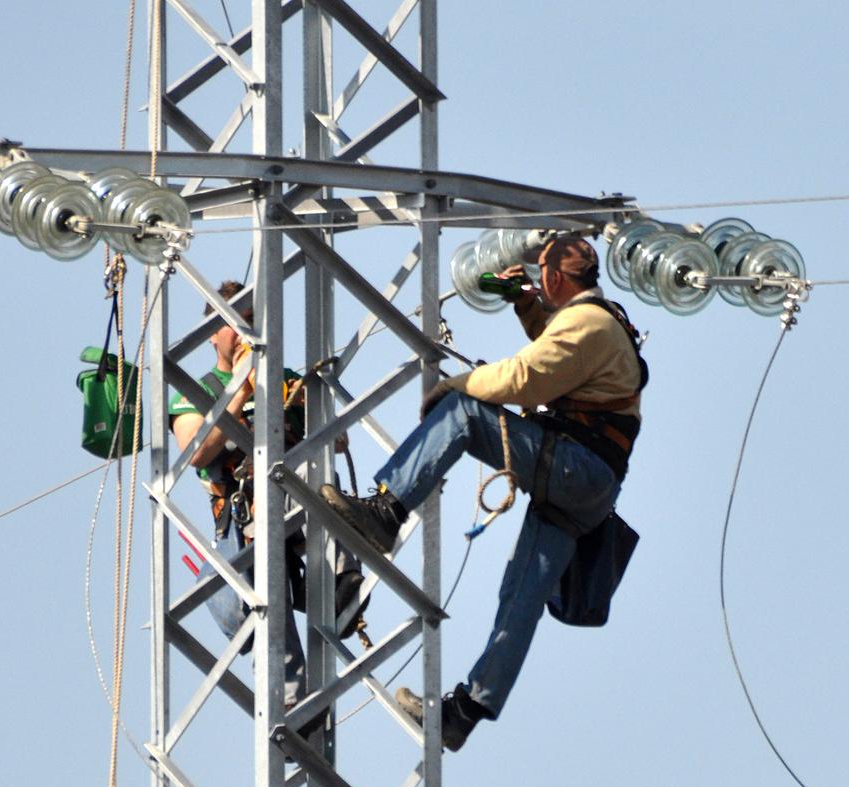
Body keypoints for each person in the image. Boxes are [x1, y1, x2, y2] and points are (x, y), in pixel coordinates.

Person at [320, 235, 644, 750]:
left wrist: (456, 386)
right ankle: (466, 711)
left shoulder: (589, 324)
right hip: (589, 483)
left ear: (556, 277)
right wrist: (525, 305)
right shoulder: (598, 321)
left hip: (576, 466)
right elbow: (560, 355)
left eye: (541, 275)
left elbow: (529, 376)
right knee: (521, 594)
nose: (538, 281)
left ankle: (387, 509)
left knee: (467, 414)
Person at [170, 280, 364, 710]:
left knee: (315, 487)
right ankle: (293, 706)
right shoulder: (197, 390)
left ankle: (341, 584)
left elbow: (338, 442)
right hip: (244, 517)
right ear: (212, 334)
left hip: (295, 495)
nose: (241, 333)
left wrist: (288, 399)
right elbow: (196, 451)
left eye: (251, 323)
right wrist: (241, 392)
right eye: (232, 324)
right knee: (265, 601)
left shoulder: (283, 380)